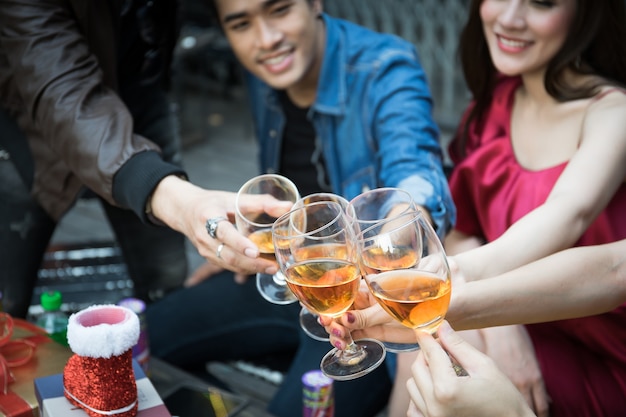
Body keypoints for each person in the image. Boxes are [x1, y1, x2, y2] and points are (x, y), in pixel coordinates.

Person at [145, 1, 456, 416]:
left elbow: (415, 174)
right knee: (142, 339)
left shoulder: (384, 65)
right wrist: (252, 246)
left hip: (362, 302)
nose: (266, 39)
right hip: (291, 278)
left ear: (314, 3)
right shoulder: (268, 70)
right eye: (241, 23)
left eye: (279, 10)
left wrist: (393, 235)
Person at [324, 0, 626, 416]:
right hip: (515, 311)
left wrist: (457, 302)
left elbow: (569, 213)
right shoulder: (496, 102)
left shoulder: (614, 112)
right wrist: (478, 308)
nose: (509, 17)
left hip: (594, 345)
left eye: (540, 2)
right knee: (431, 348)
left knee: (437, 349)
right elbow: (462, 226)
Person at [0, 0, 288, 318]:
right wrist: (180, 201)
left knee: (164, 281)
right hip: (30, 127)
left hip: (142, 98)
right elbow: (58, 88)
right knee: (8, 295)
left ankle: (157, 347)